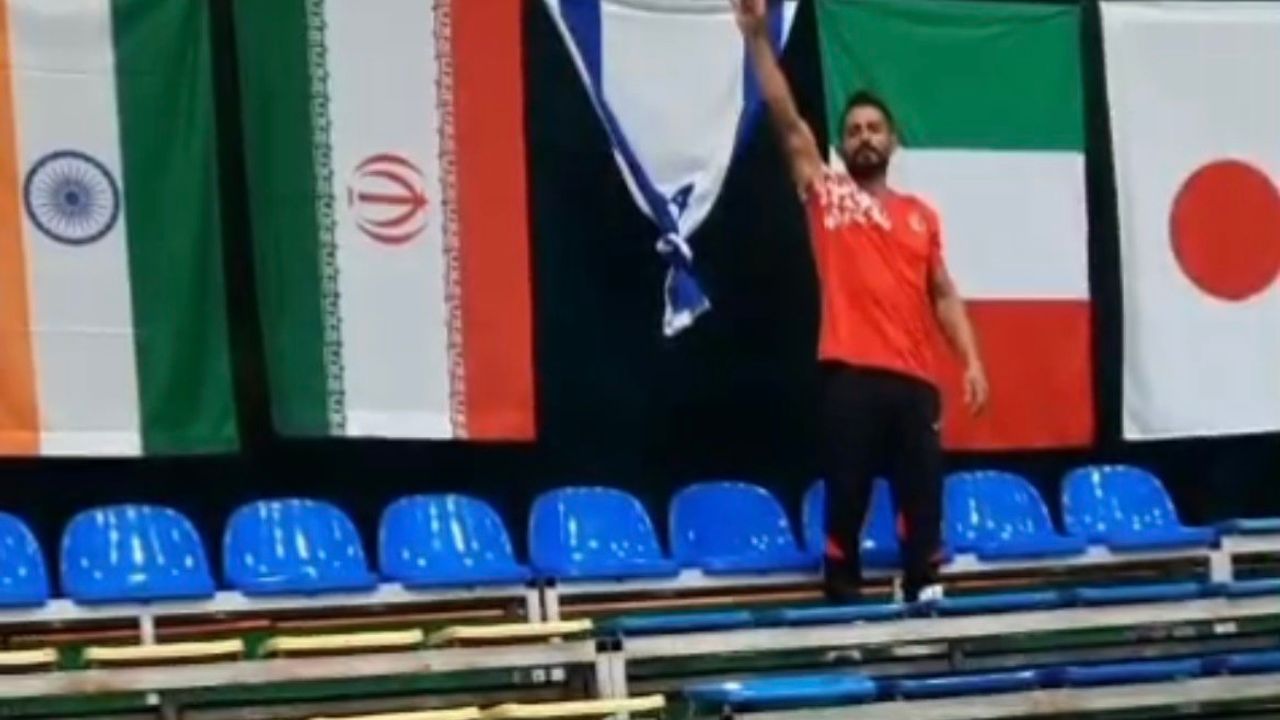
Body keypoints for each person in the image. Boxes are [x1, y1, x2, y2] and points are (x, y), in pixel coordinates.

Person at [732, 0, 989, 603]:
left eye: (874, 129)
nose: (864, 137)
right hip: (850, 374)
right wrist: (759, 41)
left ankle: (924, 589)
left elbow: (943, 293)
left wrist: (972, 361)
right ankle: (843, 599)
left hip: (915, 379)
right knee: (847, 491)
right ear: (843, 145)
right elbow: (787, 122)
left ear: (892, 141)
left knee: (922, 496)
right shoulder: (827, 195)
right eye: (854, 131)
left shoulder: (921, 215)